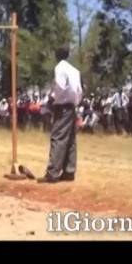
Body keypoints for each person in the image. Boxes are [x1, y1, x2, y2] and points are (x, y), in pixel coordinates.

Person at [38, 46, 82, 184]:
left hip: (62, 107)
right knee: (70, 140)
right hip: (72, 106)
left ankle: (52, 173)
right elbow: (79, 90)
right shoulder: (75, 70)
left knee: (58, 138)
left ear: (57, 55)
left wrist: (52, 100)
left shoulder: (60, 68)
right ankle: (69, 171)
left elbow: (60, 87)